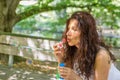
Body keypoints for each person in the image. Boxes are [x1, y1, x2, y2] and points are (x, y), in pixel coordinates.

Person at [53, 11, 120, 80]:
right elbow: (62, 78)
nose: (67, 33)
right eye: (68, 29)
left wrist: (75, 78)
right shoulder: (73, 50)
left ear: (85, 33)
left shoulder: (101, 56)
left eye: (74, 29)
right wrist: (61, 60)